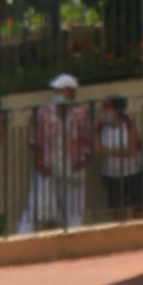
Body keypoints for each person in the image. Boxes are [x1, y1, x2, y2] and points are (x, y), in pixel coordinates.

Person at [17, 73, 94, 234]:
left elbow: (86, 141)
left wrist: (81, 162)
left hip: (72, 166)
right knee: (37, 206)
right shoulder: (44, 113)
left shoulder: (80, 114)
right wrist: (39, 162)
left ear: (70, 92)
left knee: (74, 209)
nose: (57, 94)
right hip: (48, 165)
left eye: (61, 90)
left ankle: (73, 242)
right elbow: (37, 139)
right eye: (56, 90)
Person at [96, 94, 143, 217]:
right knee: (117, 211)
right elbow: (97, 152)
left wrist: (107, 150)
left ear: (117, 109)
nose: (103, 110)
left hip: (132, 172)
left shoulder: (128, 125)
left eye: (107, 106)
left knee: (137, 208)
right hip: (112, 175)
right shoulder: (101, 128)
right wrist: (95, 132)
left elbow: (130, 152)